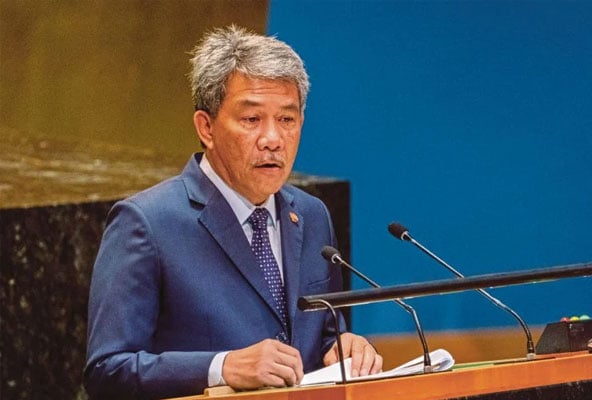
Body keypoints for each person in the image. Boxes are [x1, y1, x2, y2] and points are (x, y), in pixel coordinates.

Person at [84, 24, 382, 399]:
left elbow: (319, 332)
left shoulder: (311, 215)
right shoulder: (147, 222)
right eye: (252, 120)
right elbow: (107, 370)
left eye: (287, 120)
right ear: (206, 127)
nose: (273, 139)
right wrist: (220, 367)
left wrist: (343, 347)